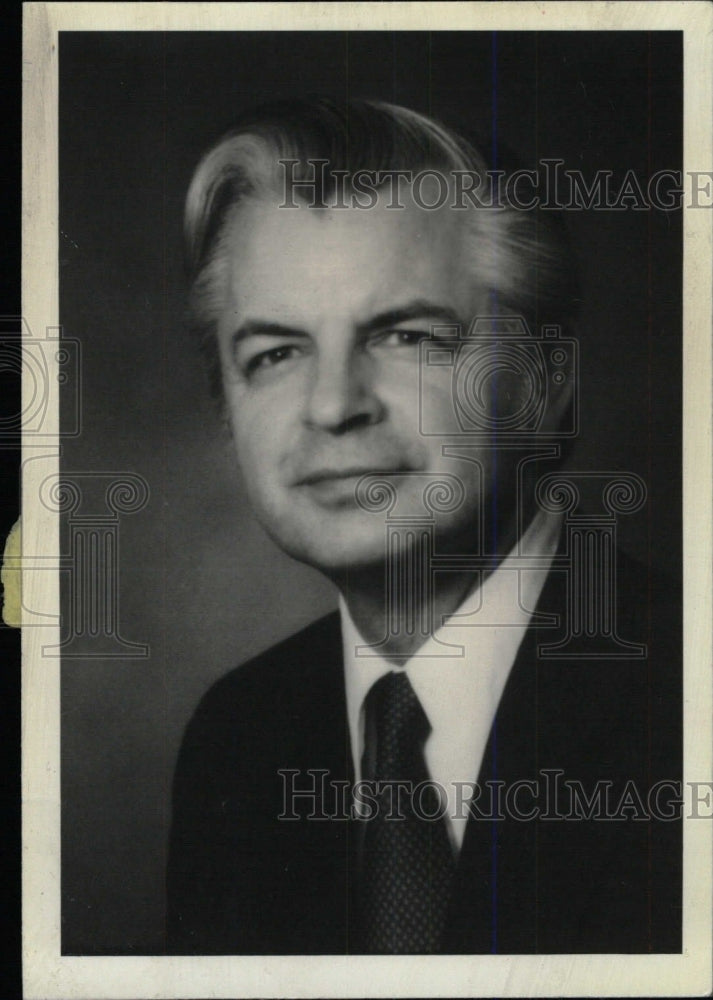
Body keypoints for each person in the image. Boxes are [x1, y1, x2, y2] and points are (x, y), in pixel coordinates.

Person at [166, 97, 681, 955]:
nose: (332, 406)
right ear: (227, 408)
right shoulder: (237, 740)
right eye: (276, 354)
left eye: (404, 335)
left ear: (545, 383)